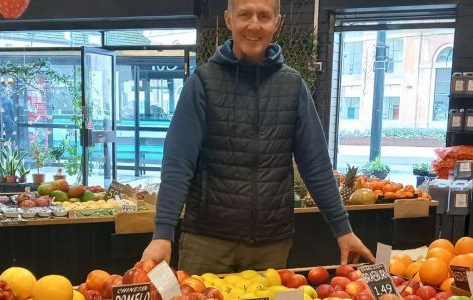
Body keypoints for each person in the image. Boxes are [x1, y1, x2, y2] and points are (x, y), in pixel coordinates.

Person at [141, 0, 375, 274]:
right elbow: (178, 163)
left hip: (270, 243)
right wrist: (163, 233)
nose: (254, 24)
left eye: (263, 16)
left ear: (277, 23)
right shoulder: (202, 83)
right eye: (245, 15)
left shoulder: (293, 86)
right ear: (229, 20)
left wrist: (343, 230)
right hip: (207, 241)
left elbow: (316, 166)